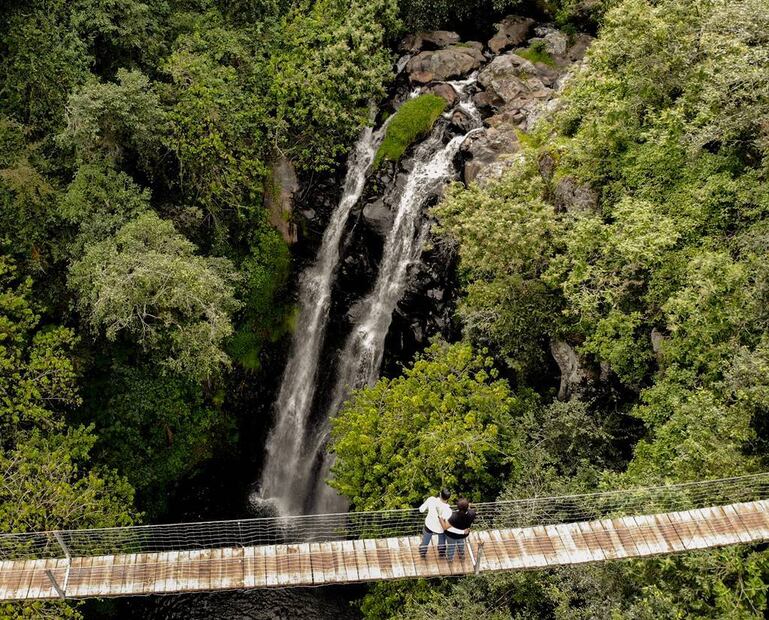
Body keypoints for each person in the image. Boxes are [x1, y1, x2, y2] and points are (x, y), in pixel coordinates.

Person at [418, 488, 452, 558]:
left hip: (429, 524)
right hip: (441, 528)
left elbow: (421, 510)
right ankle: (441, 553)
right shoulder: (448, 509)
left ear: (440, 494)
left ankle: (423, 552)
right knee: (442, 540)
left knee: (425, 540)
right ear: (448, 498)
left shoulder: (431, 499)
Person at [440, 497, 476, 562]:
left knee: (451, 546)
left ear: (458, 507)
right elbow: (469, 510)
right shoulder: (472, 513)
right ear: (468, 507)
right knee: (461, 543)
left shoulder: (454, 516)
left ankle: (450, 559)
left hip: (451, 535)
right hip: (463, 534)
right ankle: (461, 555)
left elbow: (445, 527)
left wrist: (440, 518)